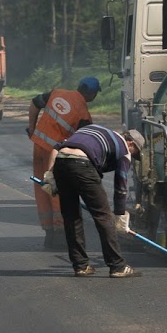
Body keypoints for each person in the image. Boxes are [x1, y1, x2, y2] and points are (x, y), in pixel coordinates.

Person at [51, 125, 144, 278]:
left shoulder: (95, 130)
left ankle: (80, 266)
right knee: (104, 216)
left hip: (61, 161)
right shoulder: (124, 150)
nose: (132, 157)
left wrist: (51, 175)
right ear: (131, 144)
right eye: (135, 153)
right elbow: (121, 186)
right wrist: (120, 214)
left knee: (71, 216)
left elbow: (57, 147)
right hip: (82, 164)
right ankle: (117, 266)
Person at [27, 77, 100, 249]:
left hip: (38, 147)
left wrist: (32, 128)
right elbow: (83, 142)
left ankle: (48, 232)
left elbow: (34, 104)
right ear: (91, 93)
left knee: (42, 186)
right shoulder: (83, 114)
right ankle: (60, 234)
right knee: (57, 189)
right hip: (54, 154)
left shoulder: (56, 93)